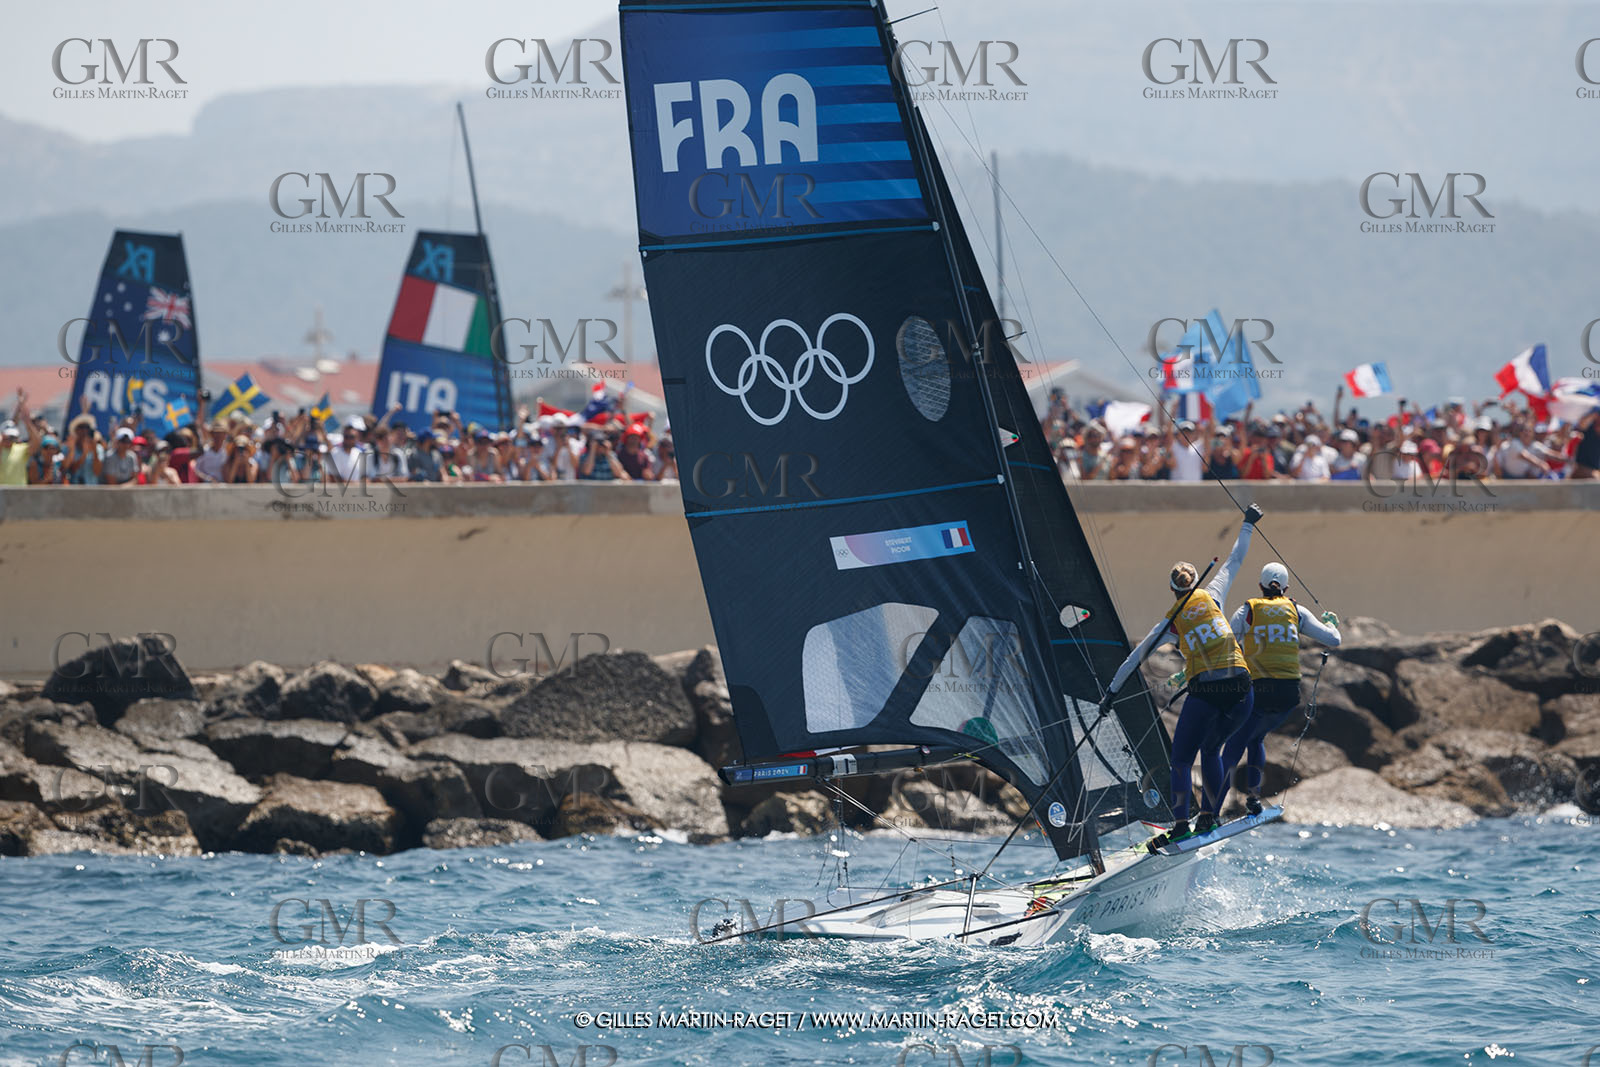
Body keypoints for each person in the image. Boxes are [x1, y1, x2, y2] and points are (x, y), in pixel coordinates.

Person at [1102, 504, 1263, 849]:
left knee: (1180, 760)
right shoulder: (1214, 594)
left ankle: (1179, 825)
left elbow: (1135, 658)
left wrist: (1110, 694)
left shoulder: (1170, 622)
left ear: (1173, 591)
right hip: (1242, 691)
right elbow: (1235, 559)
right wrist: (1248, 523)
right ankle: (1209, 816)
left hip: (1208, 691)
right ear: (1194, 582)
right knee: (1212, 749)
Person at [1216, 563, 1342, 815]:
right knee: (1256, 738)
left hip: (1258, 692)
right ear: (1286, 588)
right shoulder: (1297, 611)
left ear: (1260, 586)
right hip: (1288, 696)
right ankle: (1253, 799)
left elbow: (1227, 647)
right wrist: (1332, 624)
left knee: (1232, 747)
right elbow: (1334, 640)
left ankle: (1209, 813)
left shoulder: (1248, 610)